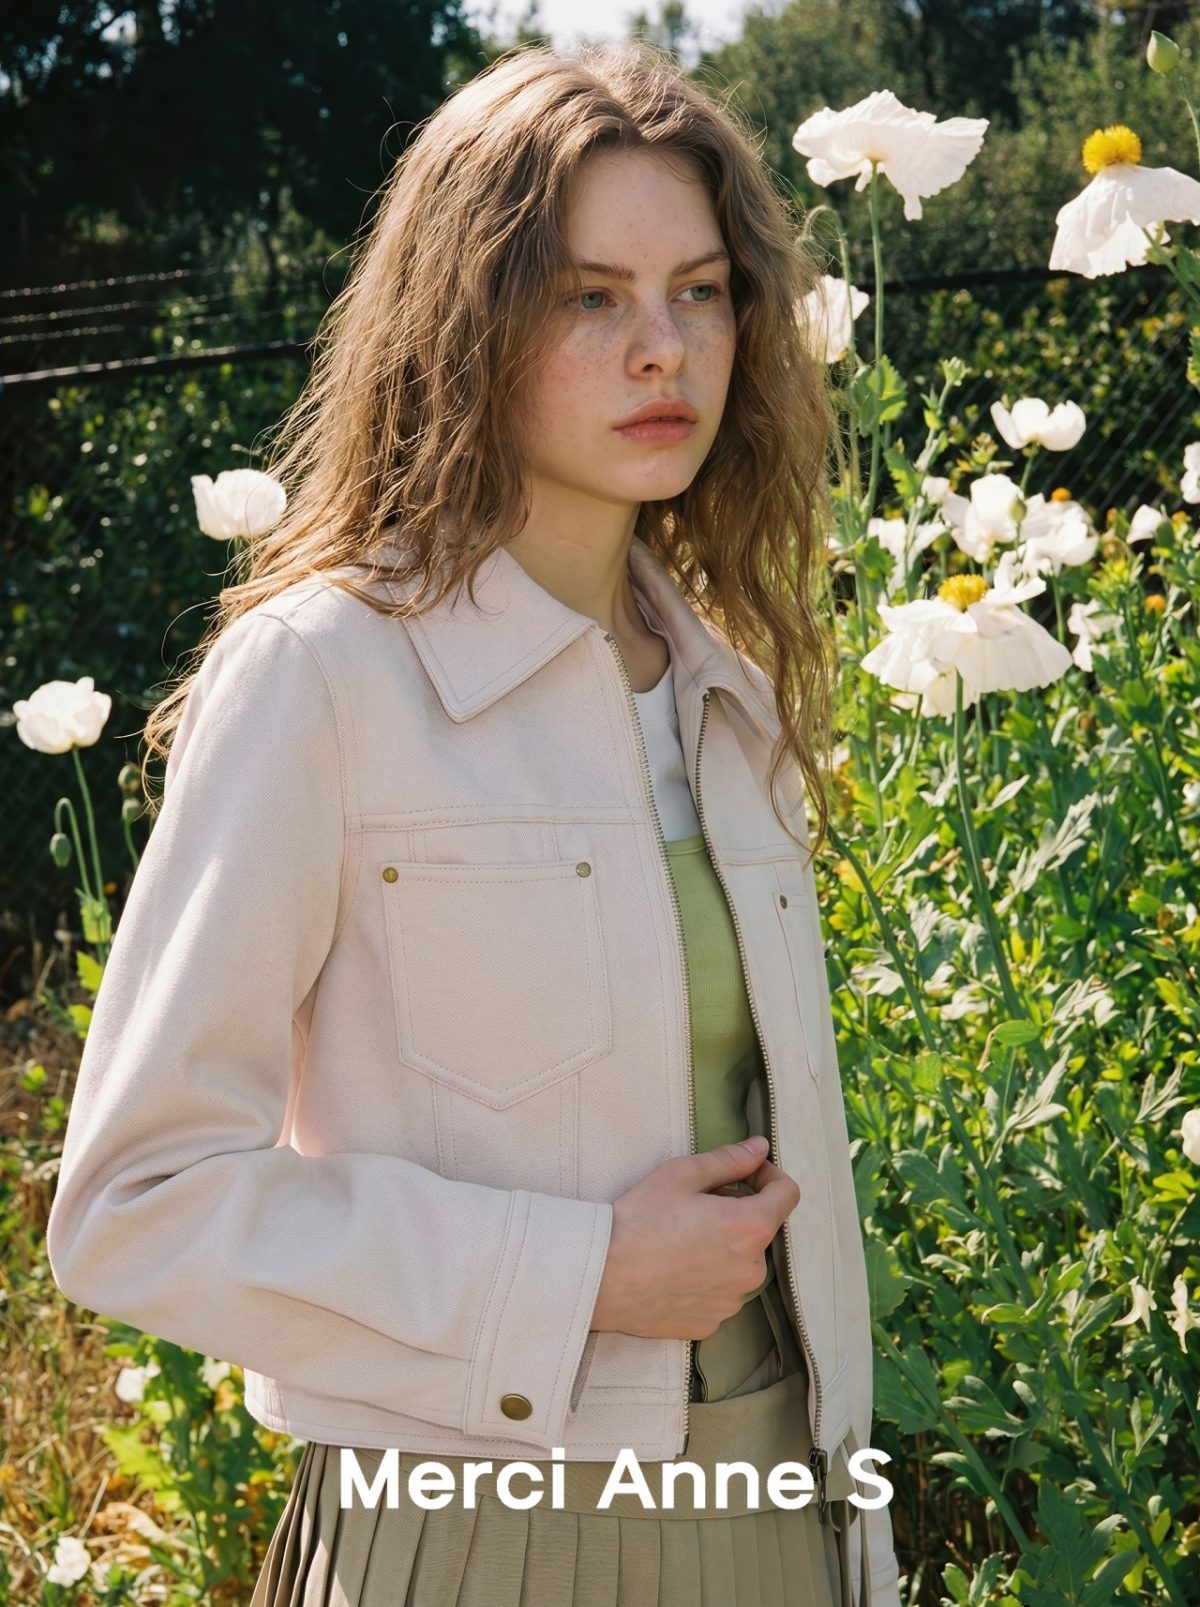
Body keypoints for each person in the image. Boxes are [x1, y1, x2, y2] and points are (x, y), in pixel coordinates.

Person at [48, 45, 901, 1607]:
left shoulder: (727, 686)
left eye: (701, 292)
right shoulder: (325, 675)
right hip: (471, 1531)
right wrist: (577, 1276)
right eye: (590, 297)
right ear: (466, 322)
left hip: (786, 1510)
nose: (664, 348)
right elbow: (133, 1209)